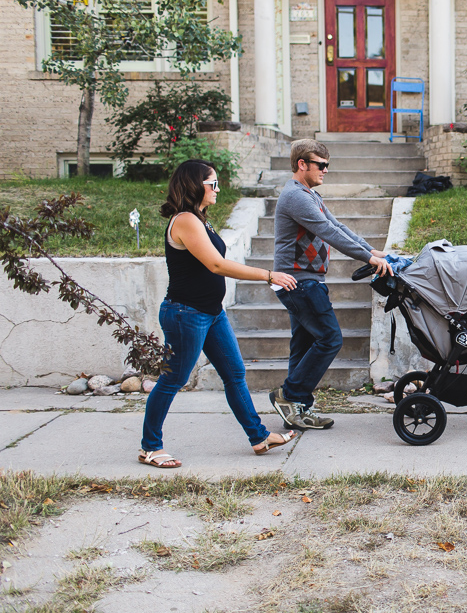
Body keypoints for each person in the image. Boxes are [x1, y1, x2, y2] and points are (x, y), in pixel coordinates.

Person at [139, 159, 299, 469]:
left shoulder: (200, 219)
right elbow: (216, 265)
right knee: (173, 380)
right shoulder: (185, 220)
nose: (217, 189)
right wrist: (268, 275)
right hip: (186, 314)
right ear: (194, 185)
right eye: (212, 184)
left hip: (211, 313)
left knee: (235, 374)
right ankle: (150, 447)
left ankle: (259, 437)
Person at [270, 140, 393, 430]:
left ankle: (297, 409)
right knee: (330, 339)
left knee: (303, 346)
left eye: (327, 165)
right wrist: (367, 257)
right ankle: (289, 396)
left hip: (306, 280)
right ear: (302, 164)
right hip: (298, 281)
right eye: (321, 165)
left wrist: (370, 251)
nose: (326, 170)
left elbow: (337, 226)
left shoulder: (309, 194)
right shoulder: (295, 197)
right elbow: (327, 232)